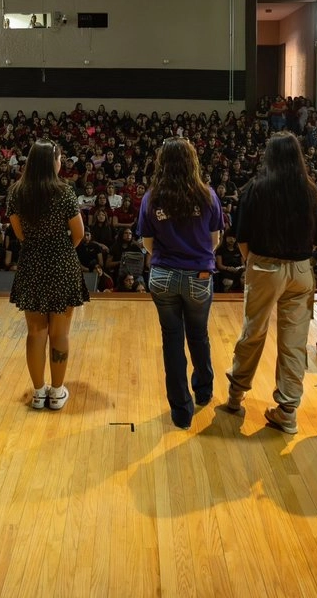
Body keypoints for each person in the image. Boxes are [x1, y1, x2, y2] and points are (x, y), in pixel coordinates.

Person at [226, 133, 317, 434]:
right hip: (302, 270)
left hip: (265, 266)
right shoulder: (310, 190)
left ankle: (236, 396)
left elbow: (241, 236)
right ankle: (288, 411)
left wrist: (251, 263)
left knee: (253, 331)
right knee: (294, 342)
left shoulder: (257, 188)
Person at [138, 137, 225, 430]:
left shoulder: (152, 198)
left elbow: (147, 243)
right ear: (192, 162)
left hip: (162, 276)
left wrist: (168, 257)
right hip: (199, 275)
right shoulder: (208, 195)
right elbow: (214, 241)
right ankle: (203, 390)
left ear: (162, 163)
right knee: (198, 336)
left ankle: (180, 411)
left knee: (171, 341)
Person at [7, 139, 88, 410]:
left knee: (35, 332)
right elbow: (79, 234)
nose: (61, 162)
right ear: (52, 161)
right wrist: (61, 248)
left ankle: (39, 392)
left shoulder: (17, 192)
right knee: (60, 333)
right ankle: (57, 392)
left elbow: (19, 233)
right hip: (62, 264)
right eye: (59, 158)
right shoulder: (64, 192)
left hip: (31, 264)